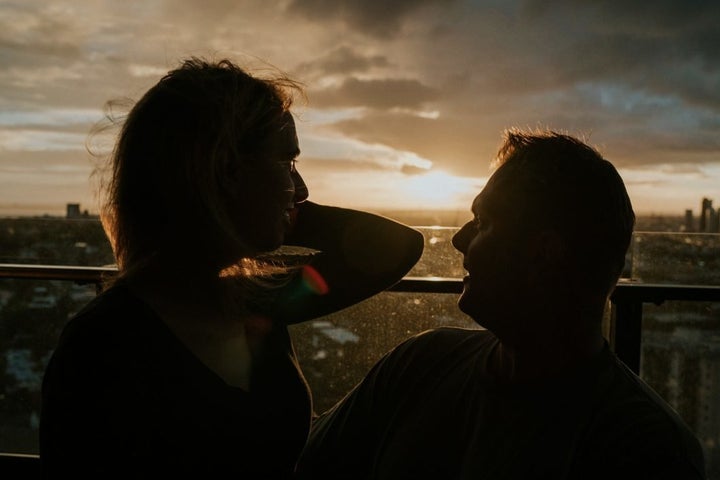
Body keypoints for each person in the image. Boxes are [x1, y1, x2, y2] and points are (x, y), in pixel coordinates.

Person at [39, 58, 424, 479]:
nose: (302, 188)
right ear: (223, 169)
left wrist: (270, 207)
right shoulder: (103, 346)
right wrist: (265, 210)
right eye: (286, 163)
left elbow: (400, 247)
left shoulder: (253, 300)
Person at [295, 130, 707, 479]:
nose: (458, 240)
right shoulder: (418, 362)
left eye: (484, 223)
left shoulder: (643, 448)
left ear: (542, 255)